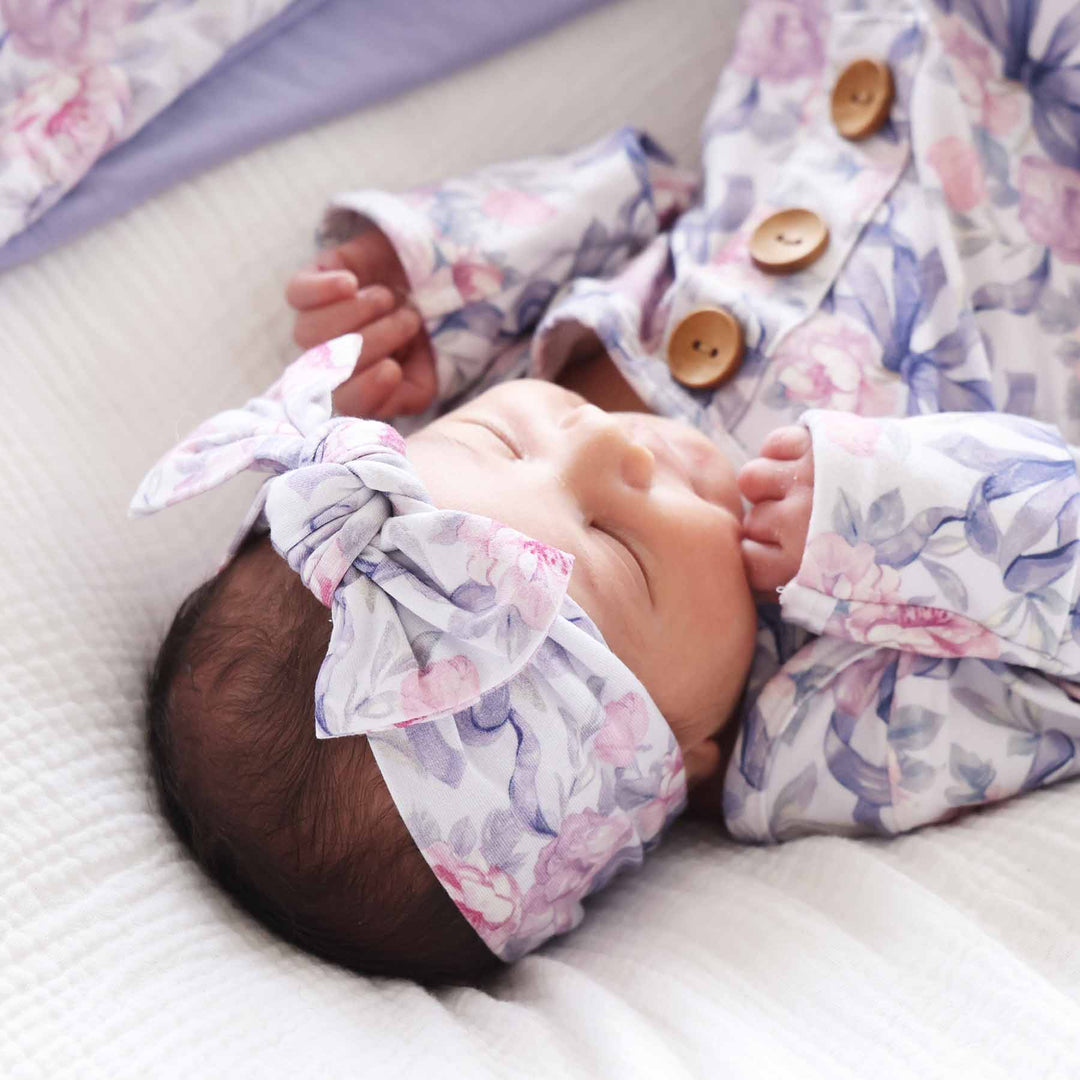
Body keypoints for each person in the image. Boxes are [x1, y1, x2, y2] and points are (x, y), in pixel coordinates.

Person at [132, 0, 1080, 985]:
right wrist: (886, 520)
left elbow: (651, 198)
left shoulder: (555, 393)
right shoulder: (821, 731)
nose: (600, 452)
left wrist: (446, 298)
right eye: (622, 552)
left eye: (498, 434)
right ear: (685, 751)